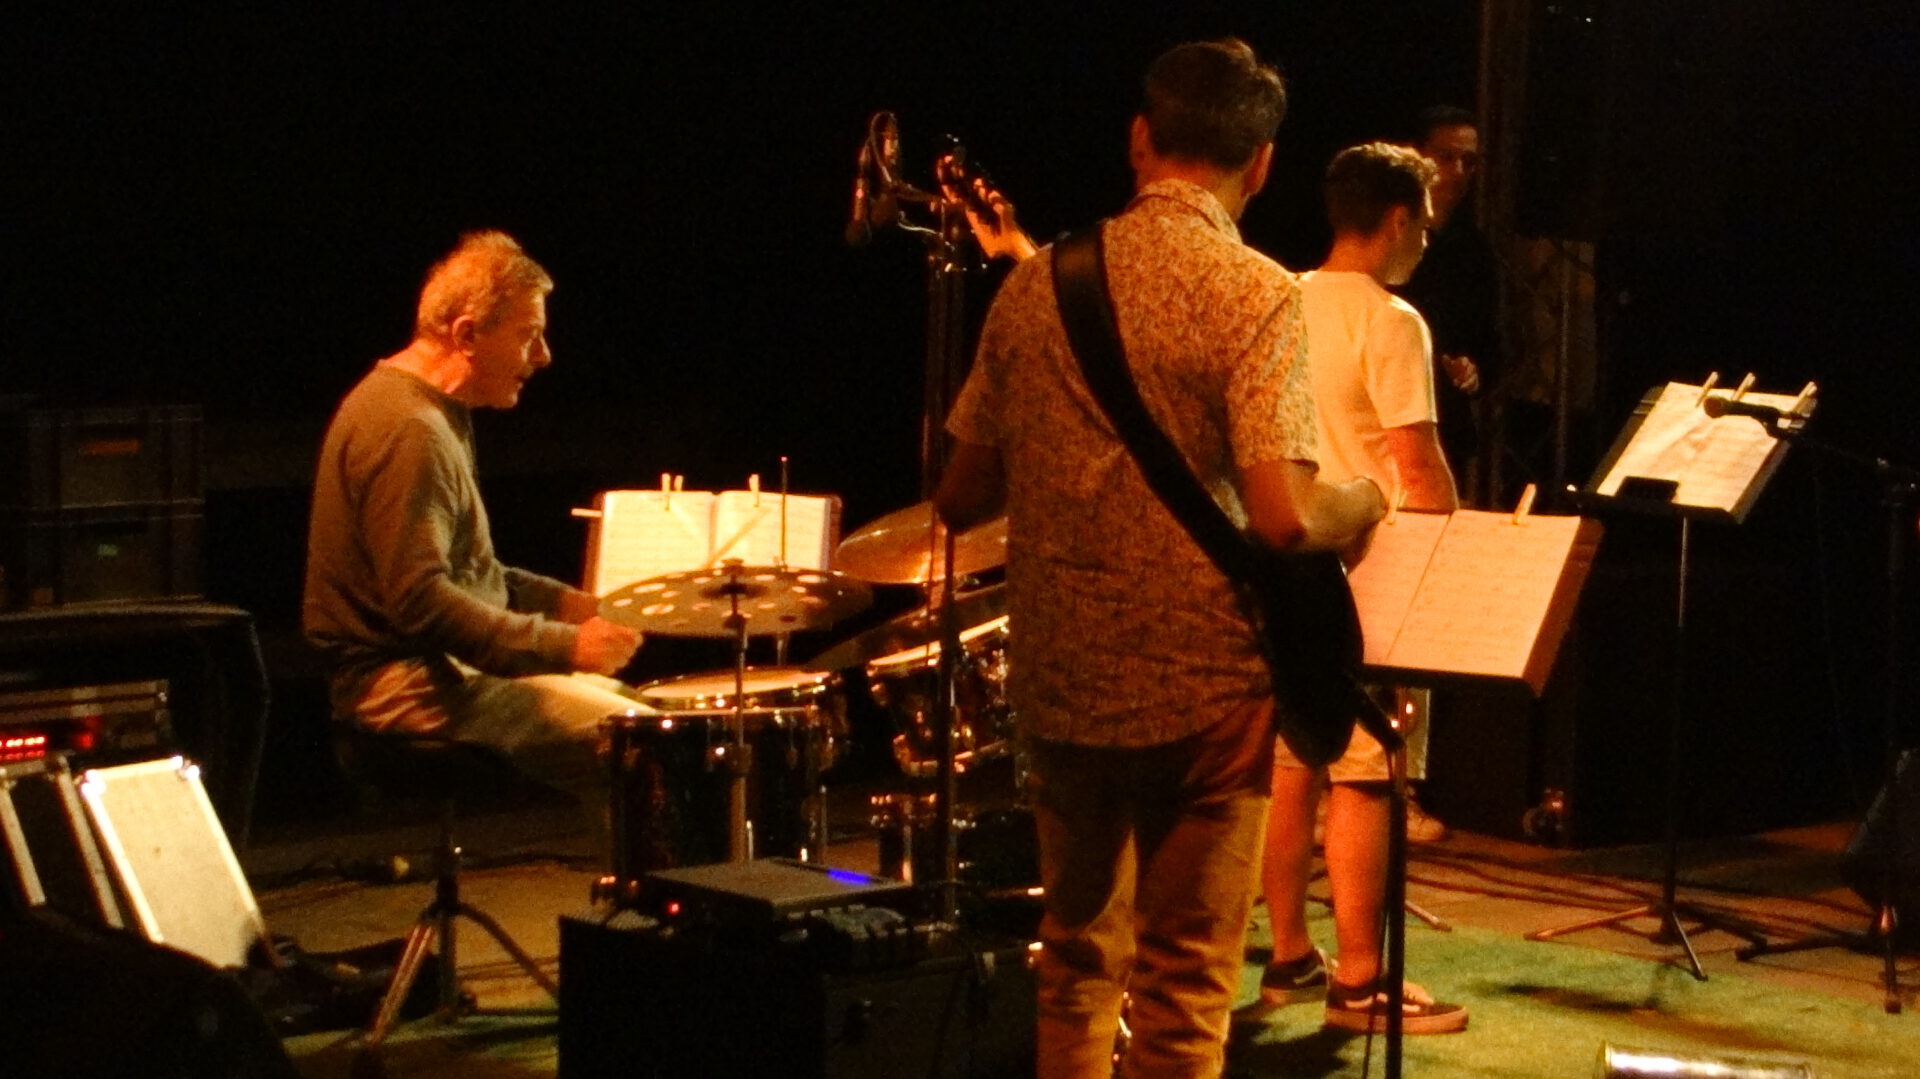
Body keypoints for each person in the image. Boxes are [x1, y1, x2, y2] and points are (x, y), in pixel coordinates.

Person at [935, 40, 1386, 1079]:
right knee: (1183, 984)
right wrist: (1365, 499)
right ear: (1261, 163)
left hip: (1064, 679)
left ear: (1140, 140)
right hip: (1204, 688)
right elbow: (1283, 516)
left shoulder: (1035, 285)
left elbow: (958, 497)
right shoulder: (1256, 292)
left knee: (1074, 957)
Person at [303, 230, 642, 829]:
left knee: (645, 714)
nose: (543, 356)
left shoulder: (435, 410)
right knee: (640, 741)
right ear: (465, 336)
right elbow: (419, 601)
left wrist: (574, 605)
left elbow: (469, 572)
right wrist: (564, 646)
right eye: (528, 335)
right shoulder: (410, 429)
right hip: (400, 684)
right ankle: (654, 886)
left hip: (438, 666)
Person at [1252, 143, 1468, 1034]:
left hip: (1285, 567)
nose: (1426, 241)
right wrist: (1455, 551)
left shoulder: (1279, 297)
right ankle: (1360, 980)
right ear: (1396, 219)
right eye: (1424, 224)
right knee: (1370, 772)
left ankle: (1289, 956)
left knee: (1291, 763)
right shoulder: (1393, 320)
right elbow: (1418, 465)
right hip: (1371, 572)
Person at [1395, 105, 1499, 502]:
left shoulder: (1475, 252)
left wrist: (1474, 371)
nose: (1458, 171)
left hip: (1443, 428)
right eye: (1445, 157)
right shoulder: (1386, 237)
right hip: (1378, 426)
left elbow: (1492, 344)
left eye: (1468, 162)